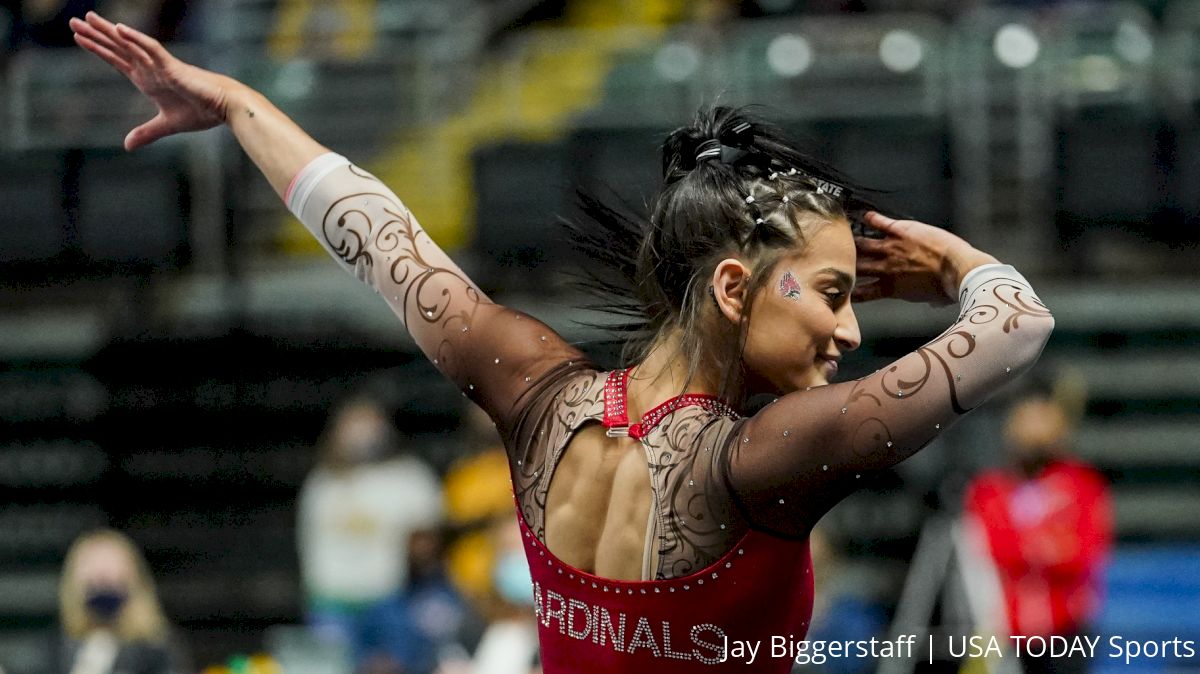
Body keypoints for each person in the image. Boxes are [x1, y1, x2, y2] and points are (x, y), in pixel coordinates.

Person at [69, 12, 1055, 672]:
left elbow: (381, 239)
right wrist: (957, 260)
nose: (849, 328)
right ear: (730, 285)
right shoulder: (768, 457)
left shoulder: (538, 396)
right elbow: (1018, 326)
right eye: (835, 293)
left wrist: (240, 105)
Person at [963, 393, 1112, 674]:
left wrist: (1029, 546)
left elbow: (1085, 552)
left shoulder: (1083, 485)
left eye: (1042, 425)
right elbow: (990, 549)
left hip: (1067, 623)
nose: (1034, 437)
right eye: (1026, 425)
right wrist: (1045, 544)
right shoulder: (990, 490)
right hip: (1004, 625)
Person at [296, 397, 443, 663]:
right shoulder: (322, 482)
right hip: (331, 602)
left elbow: (428, 540)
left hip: (389, 598)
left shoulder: (409, 477)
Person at [53, 529, 190, 674]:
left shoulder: (159, 648)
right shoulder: (55, 647)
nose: (102, 574)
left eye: (110, 565)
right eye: (92, 565)